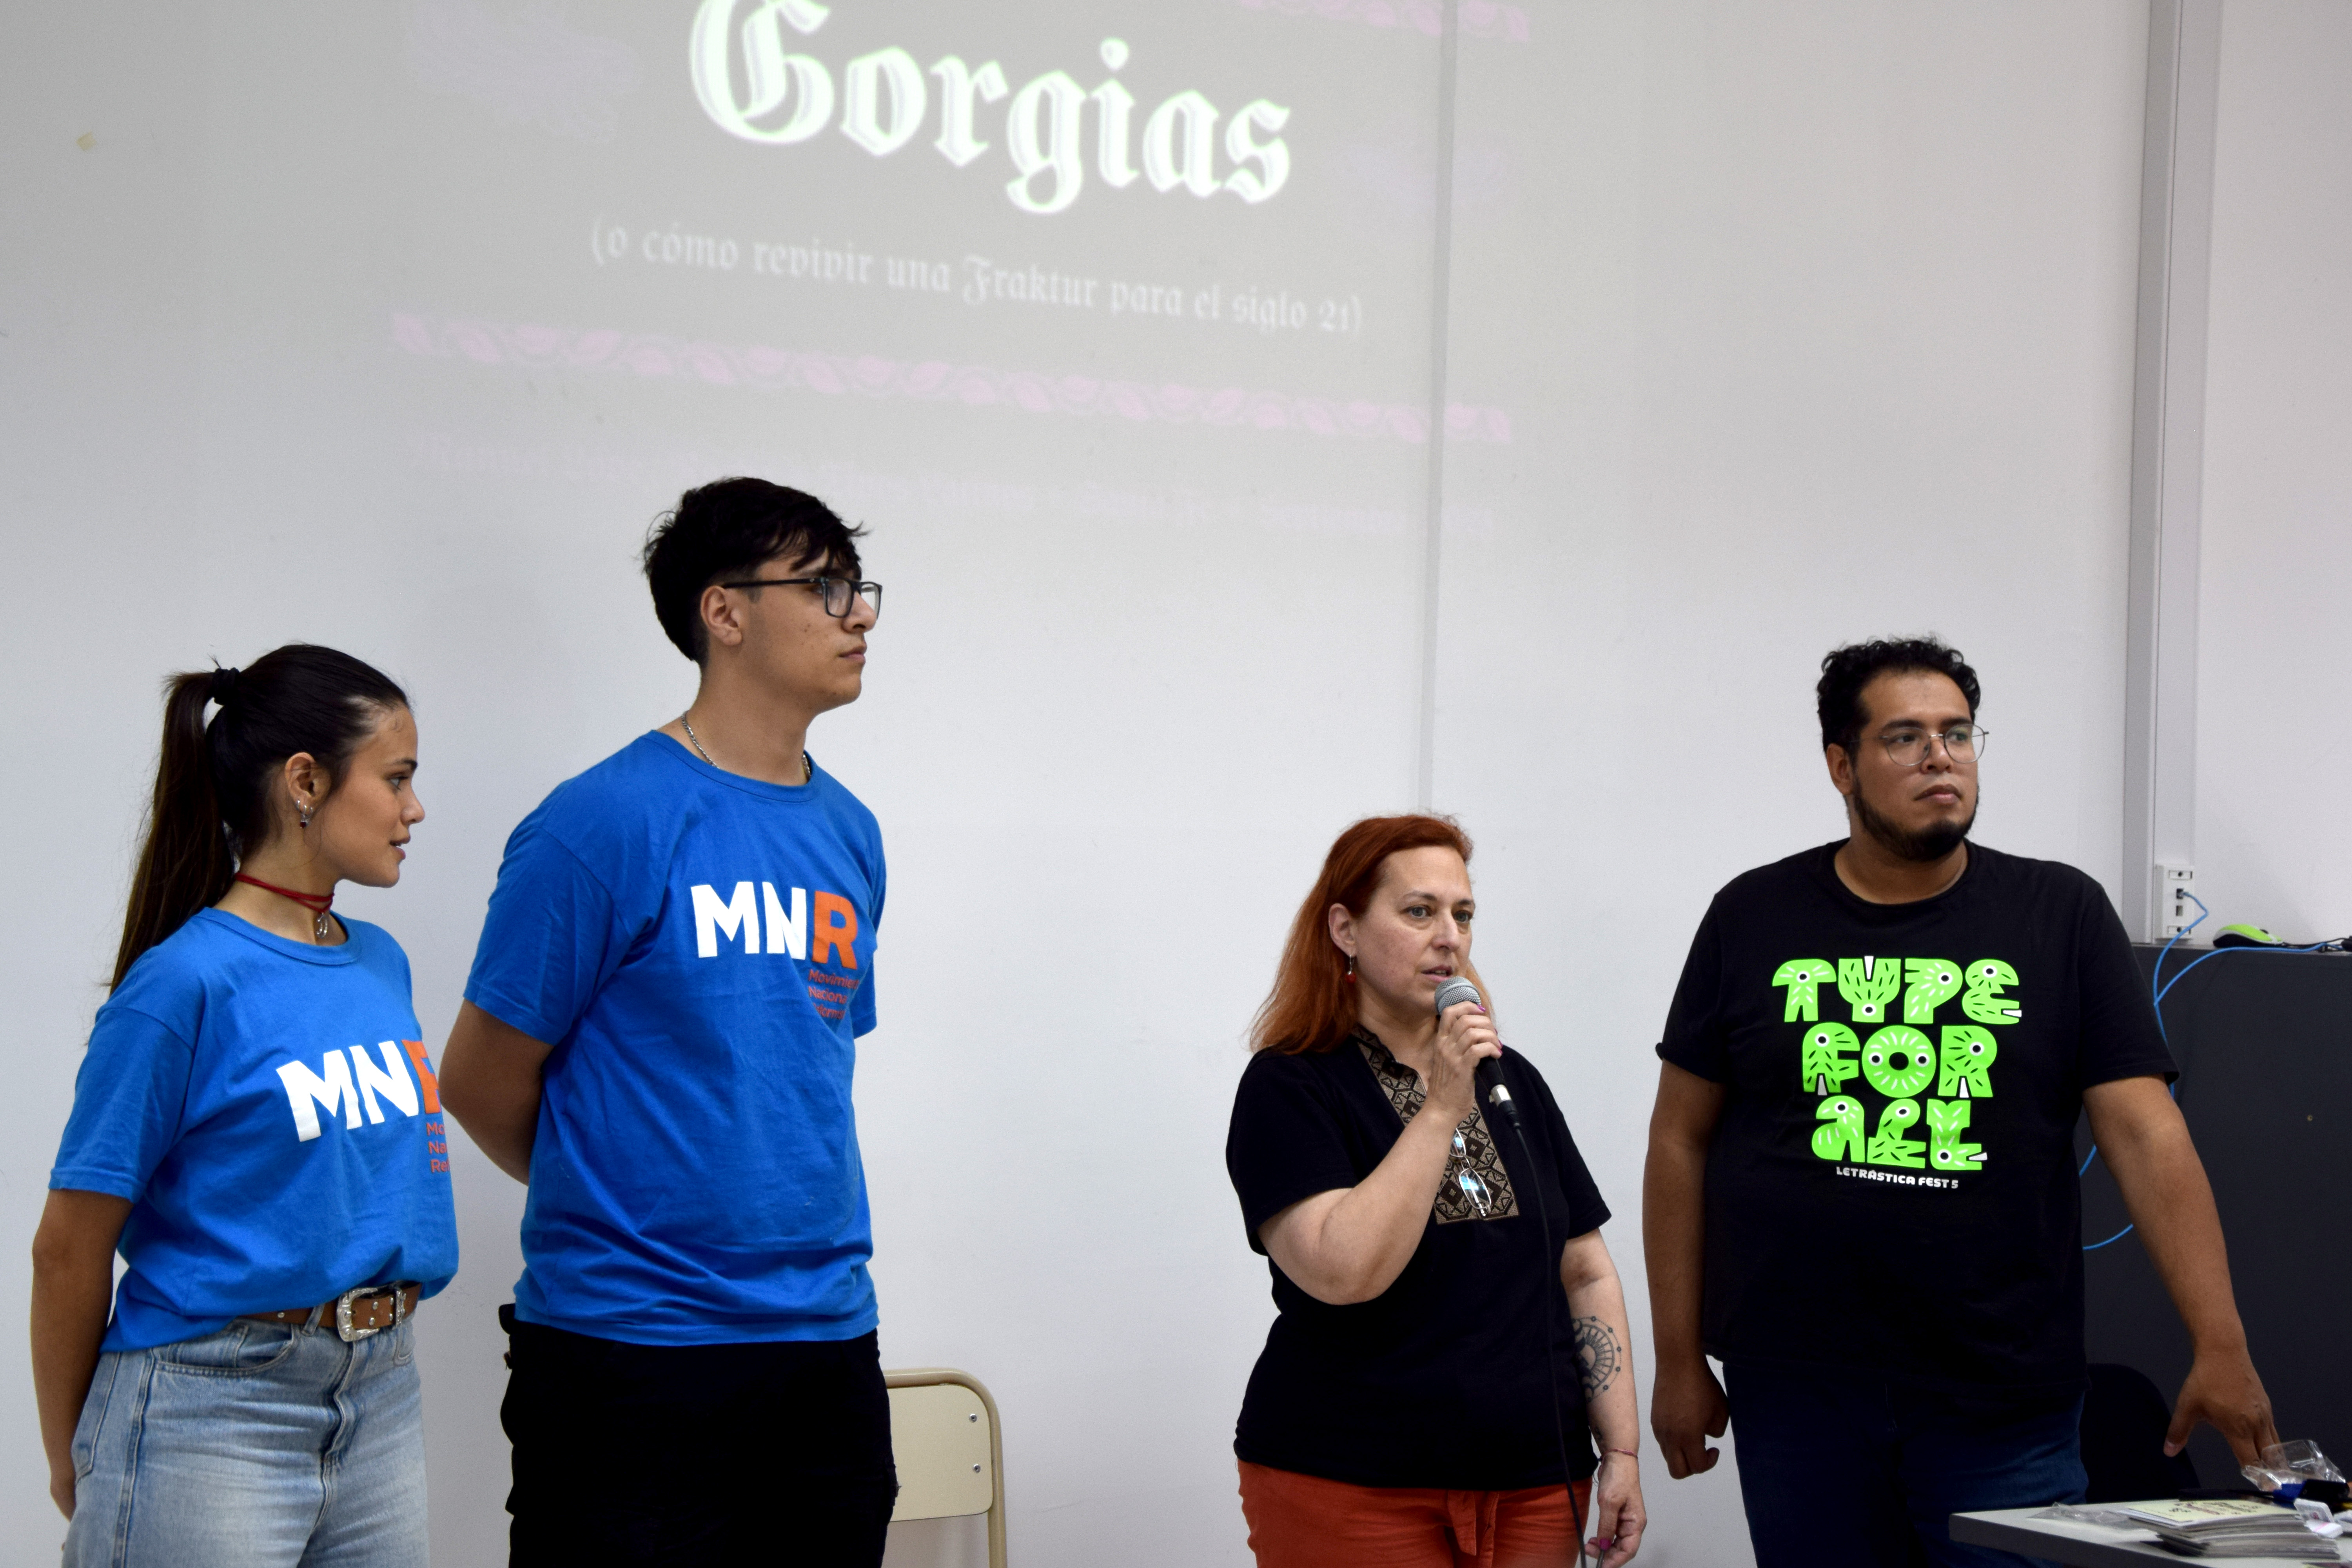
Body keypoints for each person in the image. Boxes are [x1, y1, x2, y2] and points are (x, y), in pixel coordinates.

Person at [1642, 636, 2278, 1568]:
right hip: (1798, 1388)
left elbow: (2146, 1132)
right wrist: (1677, 1356)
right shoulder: (1753, 914)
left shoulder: (2060, 913)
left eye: (1958, 733)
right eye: (1905, 736)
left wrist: (2220, 1339)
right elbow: (1679, 1139)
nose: (1941, 756)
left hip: (2003, 1394)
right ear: (1841, 765)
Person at [436, 477, 893, 1566]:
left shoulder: (851, 831)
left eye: (861, 587)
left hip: (825, 1345)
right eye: (826, 587)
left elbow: (805, 1065)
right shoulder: (603, 820)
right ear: (723, 611)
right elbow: (480, 1079)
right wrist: (625, 1196)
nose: (862, 613)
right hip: (630, 1355)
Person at [32, 645, 452, 1568]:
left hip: (380, 1395)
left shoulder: (381, 962)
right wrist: (76, 1455)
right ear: (306, 781)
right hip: (210, 1408)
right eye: (396, 778)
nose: (414, 807)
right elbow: (67, 1246)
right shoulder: (181, 985)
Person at [1226, 814, 1647, 1568]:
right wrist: (1443, 1105)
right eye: (1419, 911)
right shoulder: (1290, 1084)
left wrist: (1621, 1450)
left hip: (1535, 1481)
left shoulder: (1511, 1078)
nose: (1449, 937)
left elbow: (1583, 1270)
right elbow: (1343, 1272)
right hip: (1354, 1482)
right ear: (1346, 929)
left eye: (1464, 914)